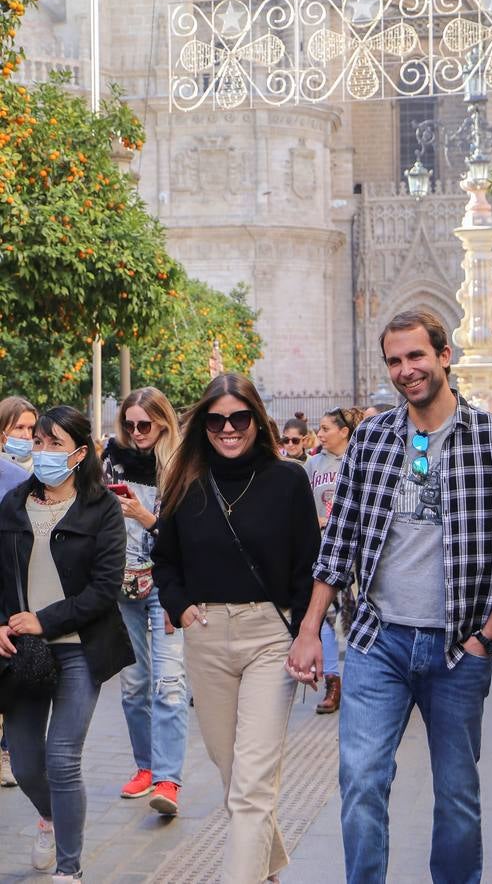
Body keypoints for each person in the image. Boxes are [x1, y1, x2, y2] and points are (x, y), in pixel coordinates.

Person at [286, 310, 492, 884]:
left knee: (456, 795)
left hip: (458, 650)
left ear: (444, 356)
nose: (406, 370)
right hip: (379, 642)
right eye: (395, 360)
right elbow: (341, 536)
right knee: (361, 782)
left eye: (416, 356)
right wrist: (309, 629)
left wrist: (490, 633)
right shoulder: (372, 439)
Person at [152, 373, 320, 884]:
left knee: (251, 787)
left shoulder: (288, 479)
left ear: (257, 419)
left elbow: (308, 564)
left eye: (239, 418)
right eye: (217, 419)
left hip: (270, 634)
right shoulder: (183, 480)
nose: (228, 429)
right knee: (233, 776)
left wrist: (304, 631)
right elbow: (165, 560)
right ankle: (264, 867)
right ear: (203, 424)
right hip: (205, 634)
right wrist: (180, 607)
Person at [0, 405, 134, 883]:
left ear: (79, 453)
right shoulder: (13, 504)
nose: (42, 451)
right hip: (21, 652)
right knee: (27, 761)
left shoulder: (102, 510)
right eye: (38, 441)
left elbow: (103, 588)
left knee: (61, 757)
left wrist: (44, 620)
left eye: (54, 444)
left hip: (79, 648)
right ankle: (51, 818)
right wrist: (4, 624)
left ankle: (69, 869)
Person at [102, 386, 188, 816]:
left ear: (163, 423)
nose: (137, 433)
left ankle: (168, 779)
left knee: (169, 684)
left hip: (165, 584)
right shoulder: (110, 460)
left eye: (145, 425)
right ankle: (146, 766)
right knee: (134, 684)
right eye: (130, 424)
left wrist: (145, 517)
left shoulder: (182, 465)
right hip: (123, 585)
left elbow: (188, 535)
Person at [304, 407, 362, 714]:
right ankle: (333, 681)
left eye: (326, 428)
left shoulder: (360, 459)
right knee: (323, 617)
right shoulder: (313, 463)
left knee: (354, 619)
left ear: (344, 431)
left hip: (355, 554)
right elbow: (299, 504)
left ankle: (358, 681)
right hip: (322, 550)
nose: (320, 434)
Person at [0, 409, 30, 788]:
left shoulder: (22, 480)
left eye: (29, 428)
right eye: (18, 427)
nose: (24, 435)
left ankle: (8, 750)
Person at [0, 395, 37, 475]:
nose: (27, 436)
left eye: (31, 428)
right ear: (2, 430)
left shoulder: (43, 470)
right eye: (19, 428)